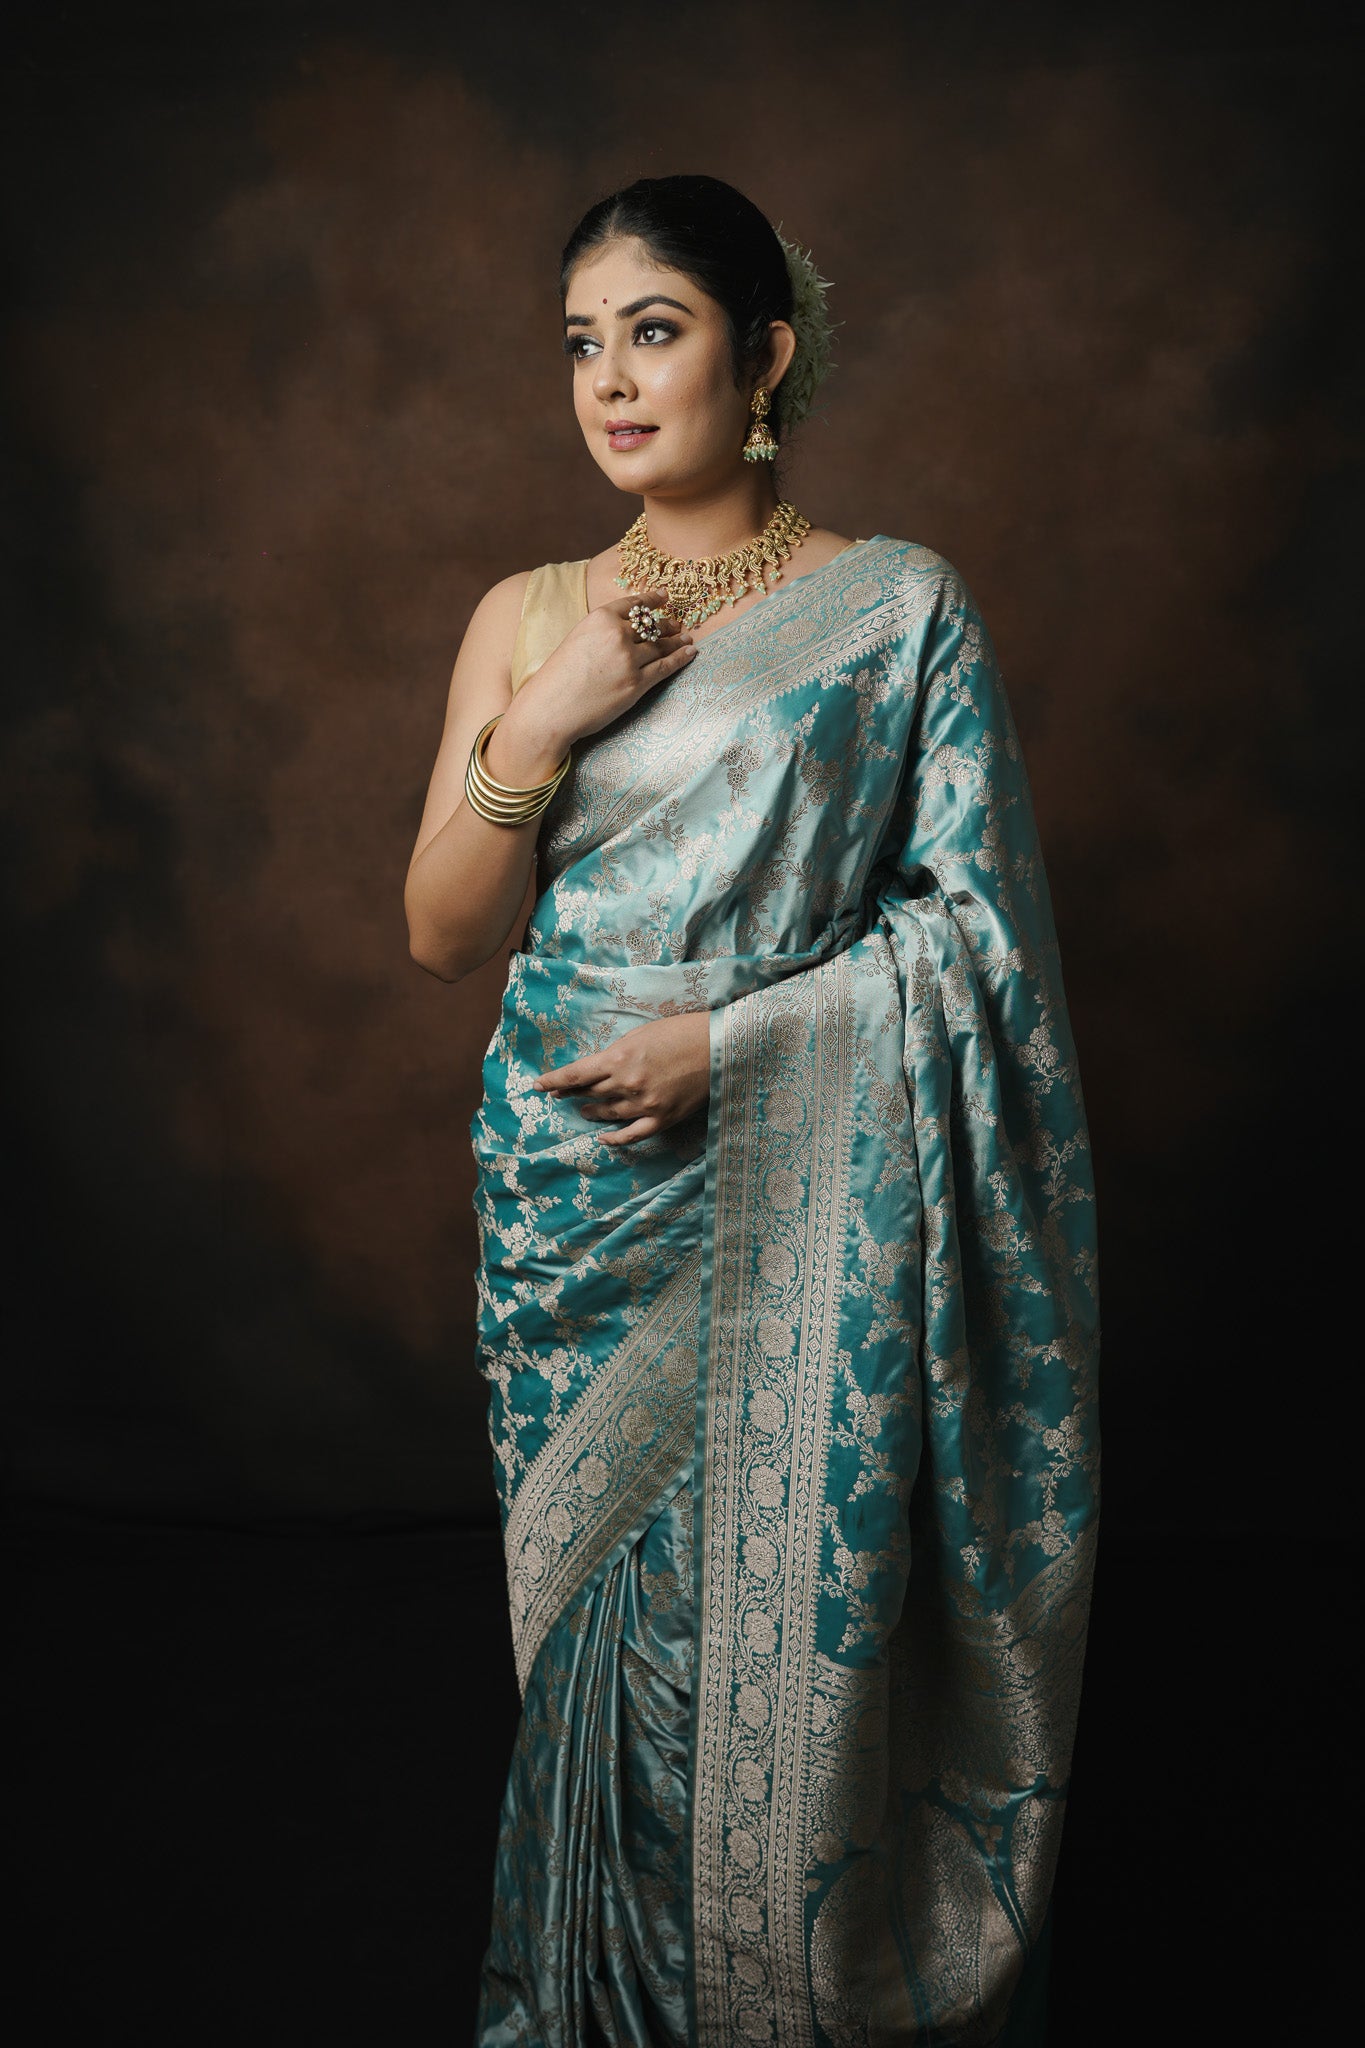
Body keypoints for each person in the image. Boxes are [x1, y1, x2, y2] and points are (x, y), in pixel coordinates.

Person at [405, 173, 1100, 2048]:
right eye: (582, 344)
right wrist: (542, 718)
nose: (611, 382)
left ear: (763, 354)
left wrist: (736, 1051)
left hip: (804, 1182)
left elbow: (971, 940)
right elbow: (439, 933)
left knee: (780, 1631)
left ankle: (765, 2006)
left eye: (656, 332)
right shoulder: (527, 612)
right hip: (571, 1202)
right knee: (596, 1658)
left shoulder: (895, 610)